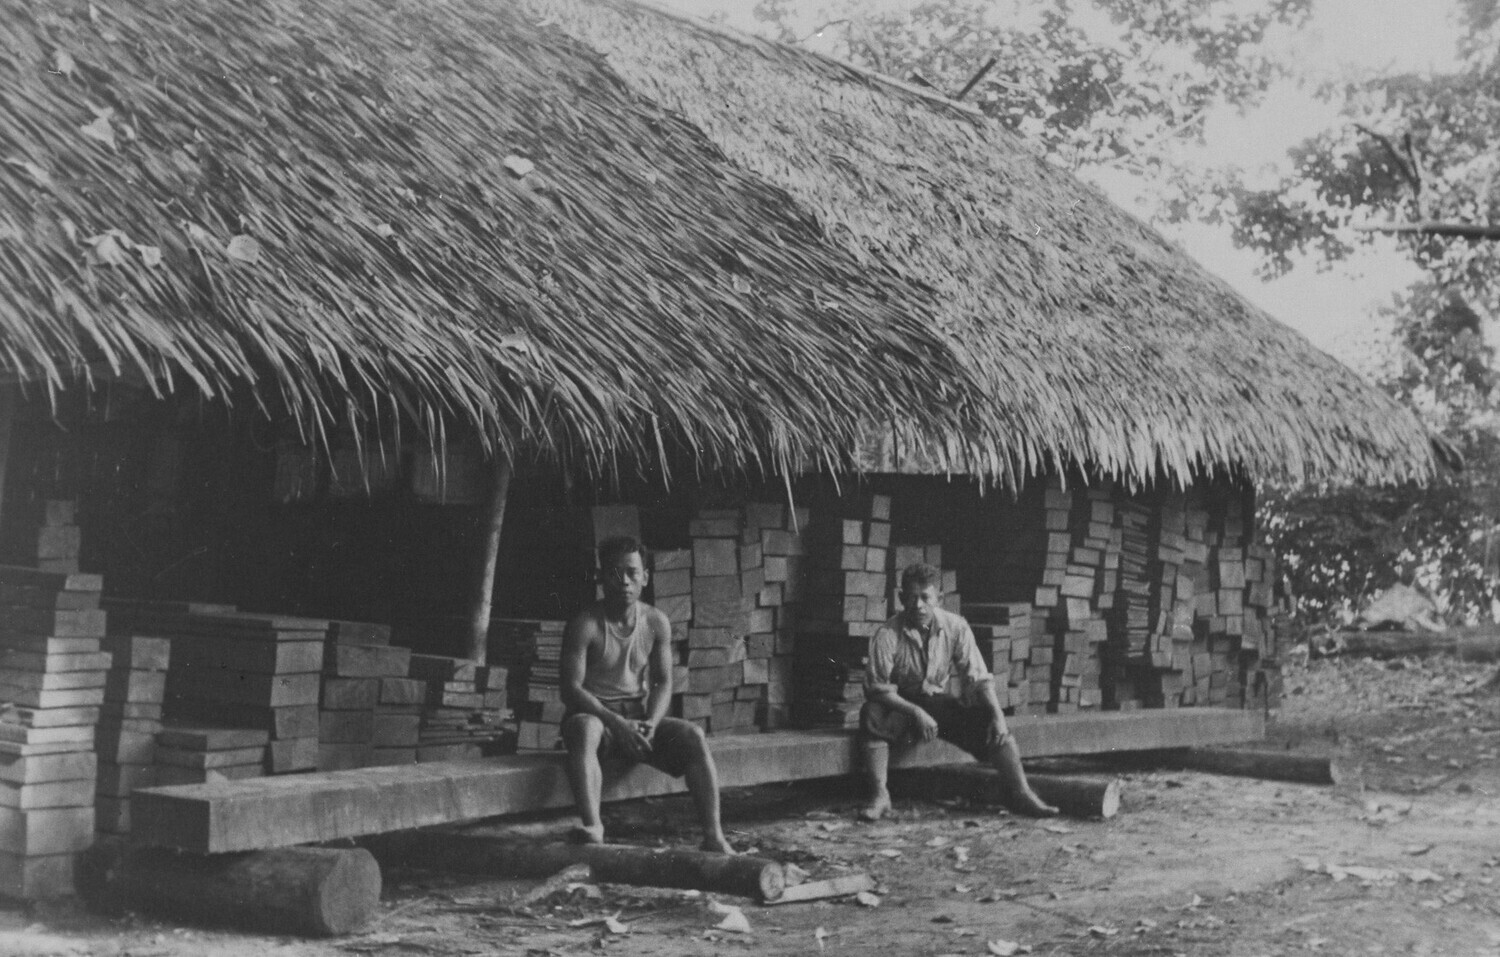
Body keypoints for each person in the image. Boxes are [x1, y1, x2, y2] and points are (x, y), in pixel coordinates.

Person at [560, 535, 734, 853]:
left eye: (632, 572)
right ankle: (594, 827)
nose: (624, 581)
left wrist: (651, 723)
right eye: (615, 573)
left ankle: (714, 836)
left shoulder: (655, 622)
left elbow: (663, 682)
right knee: (585, 728)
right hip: (597, 717)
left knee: (693, 735)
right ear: (601, 578)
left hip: (636, 717)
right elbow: (570, 689)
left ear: (646, 577)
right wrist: (615, 723)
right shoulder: (586, 624)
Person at [858, 562, 1059, 821]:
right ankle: (880, 795)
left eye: (925, 597)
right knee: (871, 714)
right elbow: (876, 688)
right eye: (911, 597)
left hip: (934, 702)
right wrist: (916, 712)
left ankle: (1022, 793)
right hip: (900, 707)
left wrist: (998, 717)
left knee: (987, 720)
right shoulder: (888, 634)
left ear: (939, 599)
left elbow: (979, 678)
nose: (918, 605)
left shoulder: (956, 627)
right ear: (901, 598)